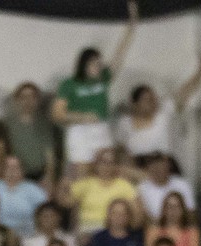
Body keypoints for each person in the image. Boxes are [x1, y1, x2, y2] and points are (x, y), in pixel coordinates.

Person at [52, 3, 138, 169]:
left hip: (101, 129)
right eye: (94, 63)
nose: (99, 66)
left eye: (100, 63)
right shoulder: (69, 84)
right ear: (84, 64)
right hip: (79, 130)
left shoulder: (104, 78)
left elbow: (120, 53)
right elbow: (57, 114)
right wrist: (82, 117)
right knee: (82, 172)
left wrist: (132, 24)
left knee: (105, 168)